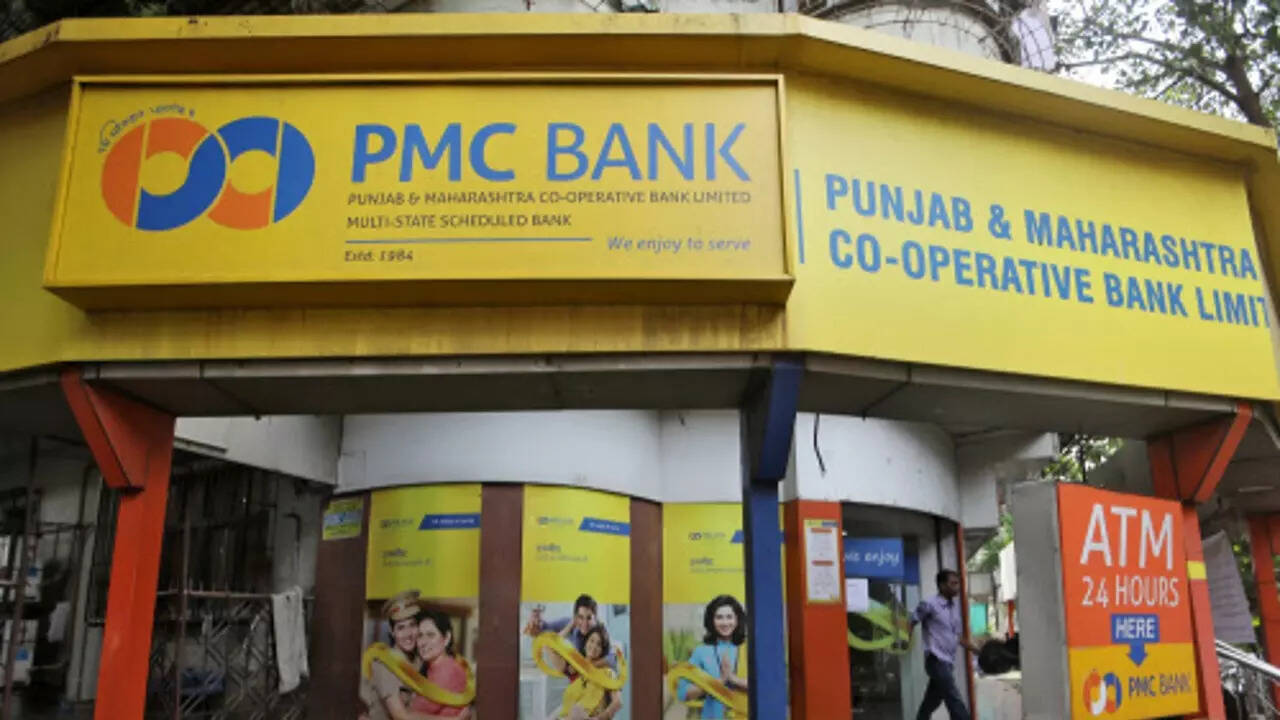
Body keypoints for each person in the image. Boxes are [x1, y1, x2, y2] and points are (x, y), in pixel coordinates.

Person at [908, 570, 982, 720]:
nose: (957, 587)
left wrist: (976, 650)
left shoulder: (954, 608)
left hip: (948, 662)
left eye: (958, 583)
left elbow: (957, 637)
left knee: (932, 701)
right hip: (935, 660)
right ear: (942, 585)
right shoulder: (929, 604)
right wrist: (905, 640)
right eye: (953, 583)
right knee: (953, 697)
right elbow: (911, 621)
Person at [676, 594, 749, 719]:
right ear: (711, 620)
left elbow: (764, 688)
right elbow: (682, 693)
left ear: (737, 619)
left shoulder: (749, 649)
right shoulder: (701, 652)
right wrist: (717, 682)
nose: (725, 623)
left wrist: (733, 679)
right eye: (719, 617)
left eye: (729, 617)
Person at [360, 590, 424, 720]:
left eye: (412, 625)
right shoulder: (385, 664)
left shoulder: (421, 661)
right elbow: (401, 716)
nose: (408, 634)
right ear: (392, 632)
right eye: (401, 628)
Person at [525, 594, 618, 674]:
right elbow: (546, 628)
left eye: (589, 618)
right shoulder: (571, 623)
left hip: (597, 676)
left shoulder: (601, 631)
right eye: (580, 617)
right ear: (575, 617)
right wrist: (536, 621)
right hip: (577, 677)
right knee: (549, 645)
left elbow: (612, 658)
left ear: (595, 617)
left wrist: (584, 666)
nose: (585, 623)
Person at [407, 610, 473, 719]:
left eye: (430, 635)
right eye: (420, 635)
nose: (423, 642)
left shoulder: (447, 670)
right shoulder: (433, 667)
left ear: (446, 638)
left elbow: (408, 714)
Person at [556, 625, 623, 720]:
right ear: (585, 643)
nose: (594, 646)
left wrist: (598, 718)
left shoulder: (608, 673)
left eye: (599, 644)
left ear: (602, 650)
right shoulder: (576, 672)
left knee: (577, 711)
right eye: (591, 641)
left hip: (589, 716)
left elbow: (618, 702)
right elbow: (552, 645)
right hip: (567, 716)